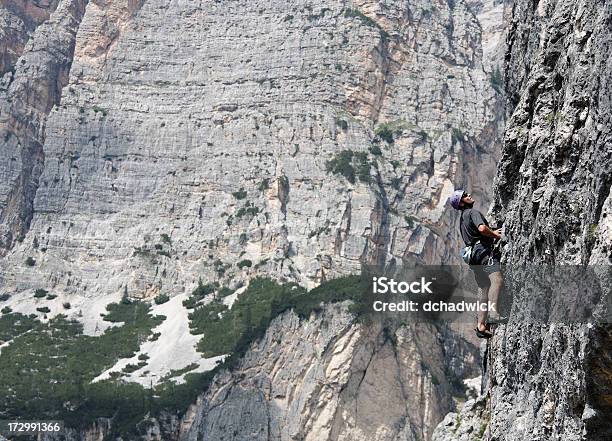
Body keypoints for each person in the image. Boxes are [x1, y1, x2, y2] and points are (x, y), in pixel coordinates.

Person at [449, 189, 503, 339]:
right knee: (496, 279)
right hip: (483, 252)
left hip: (474, 259)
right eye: (465, 196)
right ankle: (493, 314)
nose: (469, 196)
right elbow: (482, 228)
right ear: (461, 203)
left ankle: (481, 325)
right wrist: (495, 235)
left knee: (483, 289)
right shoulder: (472, 213)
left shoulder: (462, 221)